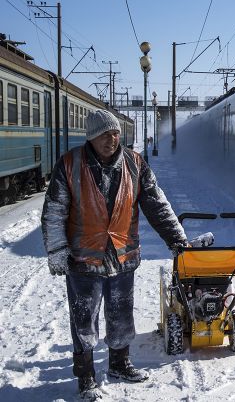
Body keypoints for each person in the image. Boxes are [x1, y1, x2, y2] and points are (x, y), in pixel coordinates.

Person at [41, 109, 188, 400]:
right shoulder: (69, 164)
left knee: (121, 315)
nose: (112, 138)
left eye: (115, 133)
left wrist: (177, 239)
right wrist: (57, 248)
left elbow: (156, 204)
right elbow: (55, 210)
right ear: (91, 137)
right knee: (84, 320)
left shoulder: (135, 163)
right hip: (83, 259)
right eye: (105, 134)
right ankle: (86, 377)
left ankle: (120, 364)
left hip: (123, 257)